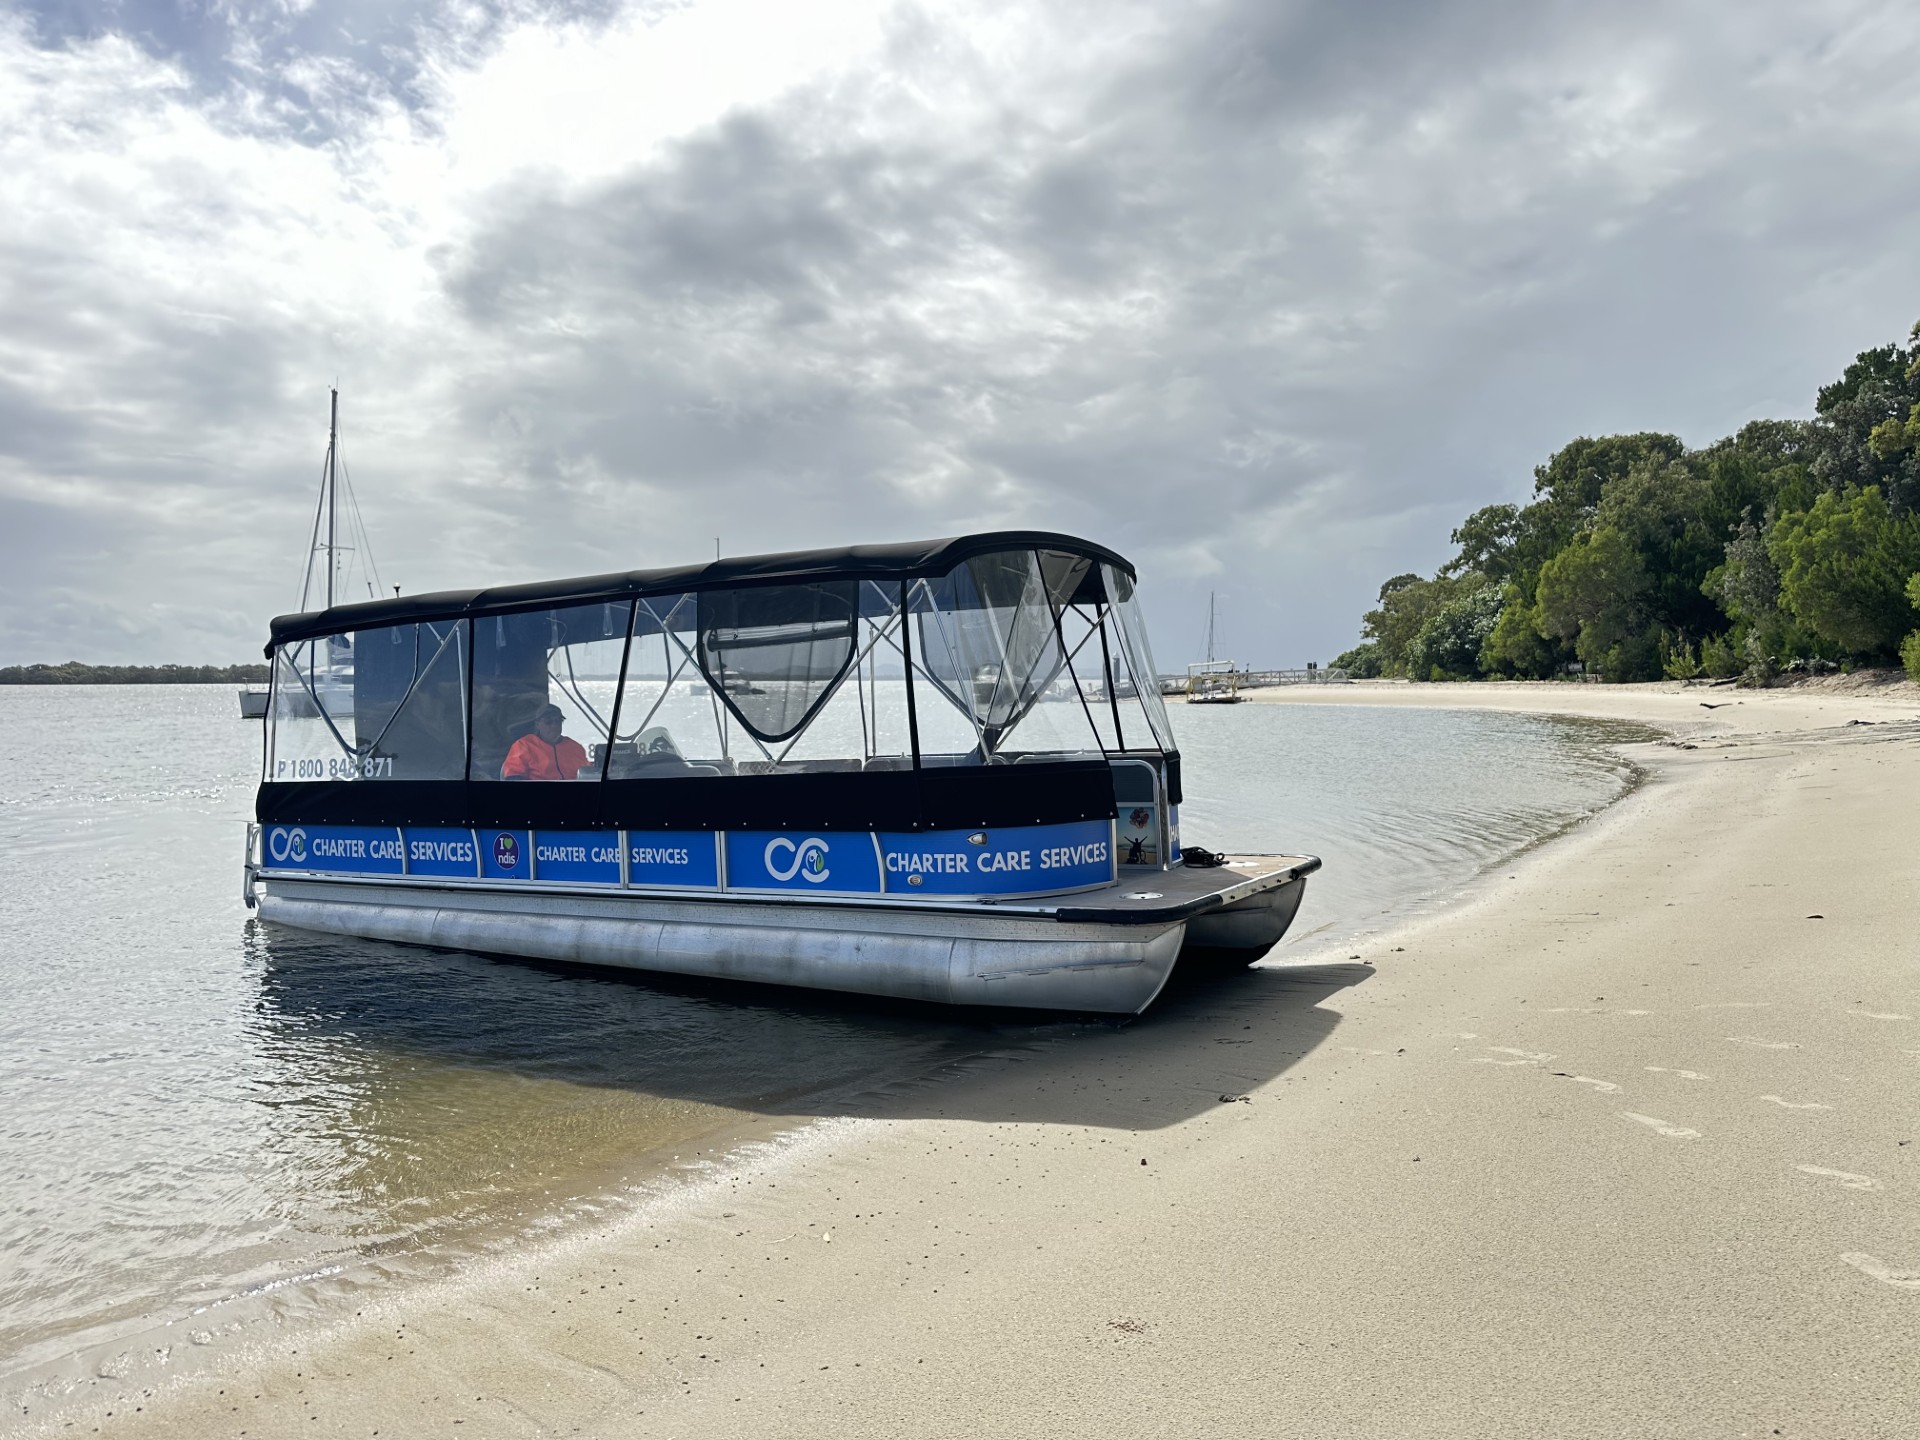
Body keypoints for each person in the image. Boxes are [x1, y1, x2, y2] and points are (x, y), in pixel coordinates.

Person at [500, 704, 591, 781]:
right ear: (537, 724)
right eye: (548, 722)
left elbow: (588, 776)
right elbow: (513, 778)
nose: (554, 725)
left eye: (558, 721)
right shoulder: (523, 746)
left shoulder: (576, 748)